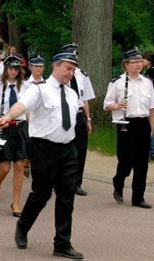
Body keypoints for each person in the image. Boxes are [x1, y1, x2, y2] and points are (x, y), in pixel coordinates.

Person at [0, 52, 83, 259]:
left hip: (68, 150)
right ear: (55, 66)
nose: (70, 73)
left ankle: (62, 243)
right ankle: (23, 226)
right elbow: (22, 105)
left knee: (66, 197)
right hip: (43, 150)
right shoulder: (39, 90)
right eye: (67, 68)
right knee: (41, 194)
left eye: (73, 70)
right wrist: (8, 116)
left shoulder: (72, 94)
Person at [104, 47, 154, 209]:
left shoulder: (147, 82)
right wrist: (117, 105)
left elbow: (152, 107)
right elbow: (107, 104)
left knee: (142, 163)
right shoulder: (117, 83)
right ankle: (118, 181)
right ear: (126, 64)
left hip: (142, 124)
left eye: (140, 61)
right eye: (135, 62)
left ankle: (138, 197)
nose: (139, 64)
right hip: (125, 125)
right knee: (126, 161)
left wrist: (151, 128)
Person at [0, 55, 28, 217]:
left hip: (20, 127)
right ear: (6, 69)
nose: (13, 71)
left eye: (16, 68)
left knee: (19, 166)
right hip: (3, 129)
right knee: (4, 167)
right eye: (10, 68)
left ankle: (16, 203)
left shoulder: (26, 87)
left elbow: (29, 109)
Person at [61, 43, 95, 196]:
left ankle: (76, 183)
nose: (74, 58)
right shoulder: (59, 75)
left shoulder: (82, 75)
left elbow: (85, 99)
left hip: (79, 115)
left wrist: (88, 119)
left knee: (80, 151)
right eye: (70, 55)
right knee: (63, 149)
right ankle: (60, 181)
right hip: (65, 114)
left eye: (75, 56)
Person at [142, 51, 154, 160]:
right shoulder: (153, 70)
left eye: (144, 59)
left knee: (149, 125)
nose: (142, 61)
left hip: (149, 100)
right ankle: (153, 151)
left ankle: (152, 151)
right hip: (151, 100)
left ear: (148, 60)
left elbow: (149, 86)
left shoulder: (150, 71)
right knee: (150, 124)